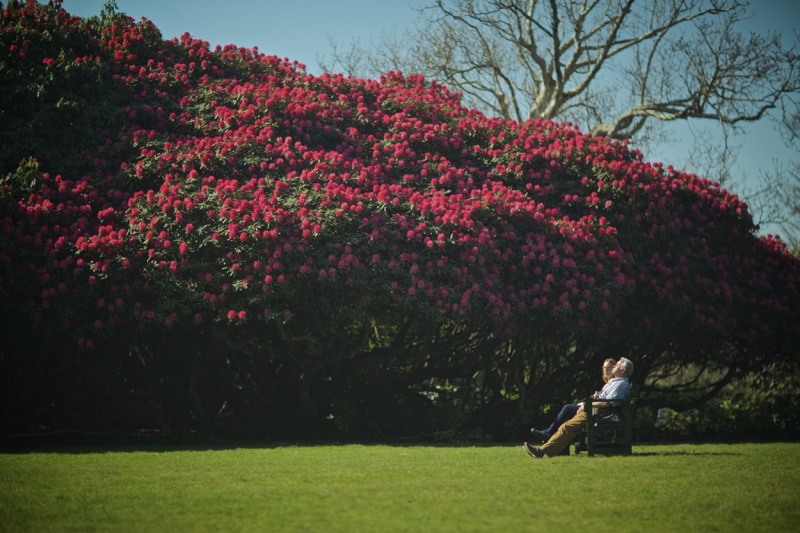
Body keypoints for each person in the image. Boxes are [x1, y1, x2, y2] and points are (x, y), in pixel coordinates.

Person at [523, 357, 633, 459]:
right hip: (594, 410)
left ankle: (541, 451)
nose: (614, 366)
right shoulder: (616, 382)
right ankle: (548, 450)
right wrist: (586, 404)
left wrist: (587, 405)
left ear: (623, 371)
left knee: (567, 426)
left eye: (617, 365)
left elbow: (608, 403)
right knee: (566, 424)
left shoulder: (621, 384)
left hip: (600, 413)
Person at [529, 359, 615, 444]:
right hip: (593, 407)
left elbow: (607, 401)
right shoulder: (608, 384)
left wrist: (587, 403)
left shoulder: (615, 383)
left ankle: (547, 433)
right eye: (604, 368)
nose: (605, 370)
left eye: (608, 367)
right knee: (568, 417)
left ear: (614, 368)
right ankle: (563, 449)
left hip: (598, 411)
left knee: (567, 408)